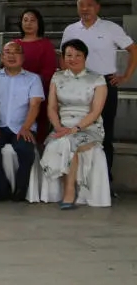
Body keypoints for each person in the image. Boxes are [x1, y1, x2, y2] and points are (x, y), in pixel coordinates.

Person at [61, 0, 137, 179]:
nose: (85, 9)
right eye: (81, 5)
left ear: (97, 7)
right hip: (78, 84)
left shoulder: (110, 28)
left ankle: (104, 179)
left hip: (105, 84)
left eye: (89, 5)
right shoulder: (71, 30)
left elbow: (133, 50)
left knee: (105, 132)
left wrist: (126, 76)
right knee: (77, 129)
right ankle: (78, 178)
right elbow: (64, 57)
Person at [43, 40, 108, 209]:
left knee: (68, 142)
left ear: (85, 57)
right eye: (69, 55)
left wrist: (75, 129)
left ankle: (69, 192)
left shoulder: (97, 79)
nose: (73, 59)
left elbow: (95, 112)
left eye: (78, 55)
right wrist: (58, 127)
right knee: (59, 140)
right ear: (63, 57)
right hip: (63, 126)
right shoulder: (57, 77)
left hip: (89, 127)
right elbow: (51, 107)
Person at [0, 41, 44, 202]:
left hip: (23, 126)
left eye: (16, 52)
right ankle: (2, 188)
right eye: (7, 52)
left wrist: (26, 127)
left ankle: (21, 189)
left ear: (23, 57)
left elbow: (35, 105)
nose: (11, 55)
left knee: (25, 150)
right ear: (2, 57)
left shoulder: (33, 79)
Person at [15, 8, 57, 142]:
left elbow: (49, 71)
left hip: (39, 91)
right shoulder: (15, 44)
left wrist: (31, 86)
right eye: (25, 20)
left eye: (32, 20)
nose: (28, 23)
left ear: (39, 23)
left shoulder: (45, 45)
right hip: (16, 92)